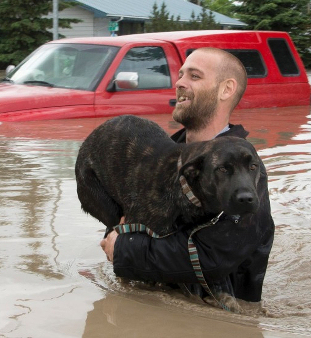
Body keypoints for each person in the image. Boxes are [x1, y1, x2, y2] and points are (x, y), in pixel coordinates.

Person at [99, 47, 274, 303]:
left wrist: (122, 248)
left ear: (226, 89)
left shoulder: (247, 171)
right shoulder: (160, 159)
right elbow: (120, 218)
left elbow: (212, 258)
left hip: (216, 321)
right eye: (180, 75)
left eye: (194, 76)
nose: (179, 82)